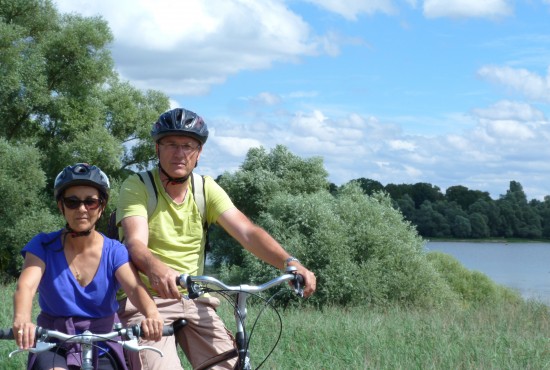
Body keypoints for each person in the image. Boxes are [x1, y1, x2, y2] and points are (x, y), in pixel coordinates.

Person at [116, 107, 317, 370]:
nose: (179, 153)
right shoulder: (137, 186)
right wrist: (156, 268)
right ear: (157, 148)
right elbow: (135, 243)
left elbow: (247, 232)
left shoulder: (205, 188)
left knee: (231, 364)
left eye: (188, 145)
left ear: (198, 153)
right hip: (146, 301)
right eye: (171, 144)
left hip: (194, 299)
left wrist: (290, 262)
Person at [12, 163, 164, 370]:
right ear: (61, 206)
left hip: (103, 341)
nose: (82, 209)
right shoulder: (43, 246)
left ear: (101, 207)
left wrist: (152, 315)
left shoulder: (114, 251)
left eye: (91, 202)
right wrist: (22, 319)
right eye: (72, 202)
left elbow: (135, 288)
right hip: (53, 341)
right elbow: (26, 287)